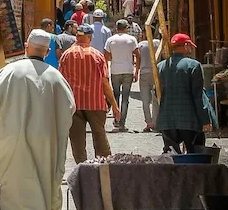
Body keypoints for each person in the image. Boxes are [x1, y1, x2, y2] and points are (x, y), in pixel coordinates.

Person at [0, 29, 75, 210]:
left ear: (26, 46)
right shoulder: (55, 76)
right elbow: (69, 107)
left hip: (12, 138)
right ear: (48, 51)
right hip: (46, 141)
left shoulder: (9, 71)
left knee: (15, 184)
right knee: (45, 186)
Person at [60, 24, 120, 162]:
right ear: (89, 37)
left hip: (74, 104)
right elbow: (105, 83)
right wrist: (114, 106)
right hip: (96, 103)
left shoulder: (66, 55)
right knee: (100, 136)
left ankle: (82, 169)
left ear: (77, 36)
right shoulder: (97, 55)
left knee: (77, 140)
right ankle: (104, 168)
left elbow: (61, 82)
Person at [156, 33, 208, 153]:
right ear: (185, 46)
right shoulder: (194, 65)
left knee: (171, 156)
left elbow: (157, 91)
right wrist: (205, 120)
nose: (190, 49)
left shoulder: (160, 66)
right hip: (190, 120)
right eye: (190, 46)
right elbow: (198, 96)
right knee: (195, 154)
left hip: (167, 119)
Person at [104, 19, 138, 130]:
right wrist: (136, 71)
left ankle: (117, 119)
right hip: (128, 70)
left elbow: (106, 57)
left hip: (115, 70)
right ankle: (122, 121)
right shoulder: (132, 39)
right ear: (126, 28)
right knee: (125, 98)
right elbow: (138, 55)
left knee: (115, 96)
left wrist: (106, 72)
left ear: (116, 28)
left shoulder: (110, 40)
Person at [134, 32, 159, 131]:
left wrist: (137, 71)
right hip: (155, 72)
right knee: (155, 99)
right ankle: (156, 122)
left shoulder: (141, 45)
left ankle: (149, 123)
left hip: (144, 73)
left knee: (145, 101)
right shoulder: (157, 43)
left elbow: (137, 59)